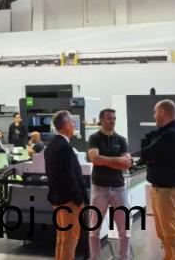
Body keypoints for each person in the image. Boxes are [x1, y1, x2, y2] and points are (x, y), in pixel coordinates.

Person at [140, 99, 175, 260]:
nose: (153, 116)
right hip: (163, 191)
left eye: (155, 112)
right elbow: (149, 153)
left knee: (174, 238)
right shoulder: (169, 132)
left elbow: (146, 154)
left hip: (169, 193)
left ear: (162, 113)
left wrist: (148, 155)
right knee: (164, 235)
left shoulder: (171, 134)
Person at [87, 108, 131, 260]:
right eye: (109, 118)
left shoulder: (121, 140)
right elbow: (95, 159)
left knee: (124, 229)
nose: (112, 121)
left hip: (118, 187)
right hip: (99, 188)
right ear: (101, 120)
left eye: (114, 118)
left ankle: (123, 257)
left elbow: (127, 164)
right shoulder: (94, 138)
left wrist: (106, 161)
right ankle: (94, 257)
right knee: (94, 229)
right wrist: (117, 160)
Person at [45, 110, 88, 260]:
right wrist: (79, 200)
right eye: (72, 122)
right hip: (69, 201)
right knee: (70, 239)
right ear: (66, 125)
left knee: (62, 238)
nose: (74, 124)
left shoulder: (51, 146)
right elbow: (70, 178)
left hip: (57, 199)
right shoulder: (64, 147)